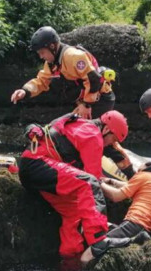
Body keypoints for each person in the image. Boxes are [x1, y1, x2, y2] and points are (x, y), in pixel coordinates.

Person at [18, 110, 135, 258]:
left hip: (34, 170)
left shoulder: (82, 126)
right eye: (113, 139)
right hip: (37, 164)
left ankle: (70, 259)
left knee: (73, 213)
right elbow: (93, 179)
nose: (112, 143)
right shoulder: (93, 135)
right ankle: (98, 239)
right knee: (89, 183)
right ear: (106, 129)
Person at [10, 26, 115, 119]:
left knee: (89, 135)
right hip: (84, 102)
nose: (41, 57)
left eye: (42, 52)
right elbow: (41, 81)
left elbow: (93, 79)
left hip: (100, 99)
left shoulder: (74, 56)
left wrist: (87, 105)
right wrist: (25, 91)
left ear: (52, 46)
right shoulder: (51, 64)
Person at [80, 171, 151, 266]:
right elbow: (128, 185)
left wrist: (98, 183)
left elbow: (115, 196)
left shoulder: (144, 175)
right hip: (146, 226)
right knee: (101, 226)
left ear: (146, 168)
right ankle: (135, 238)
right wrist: (111, 181)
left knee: (88, 254)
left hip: (136, 222)